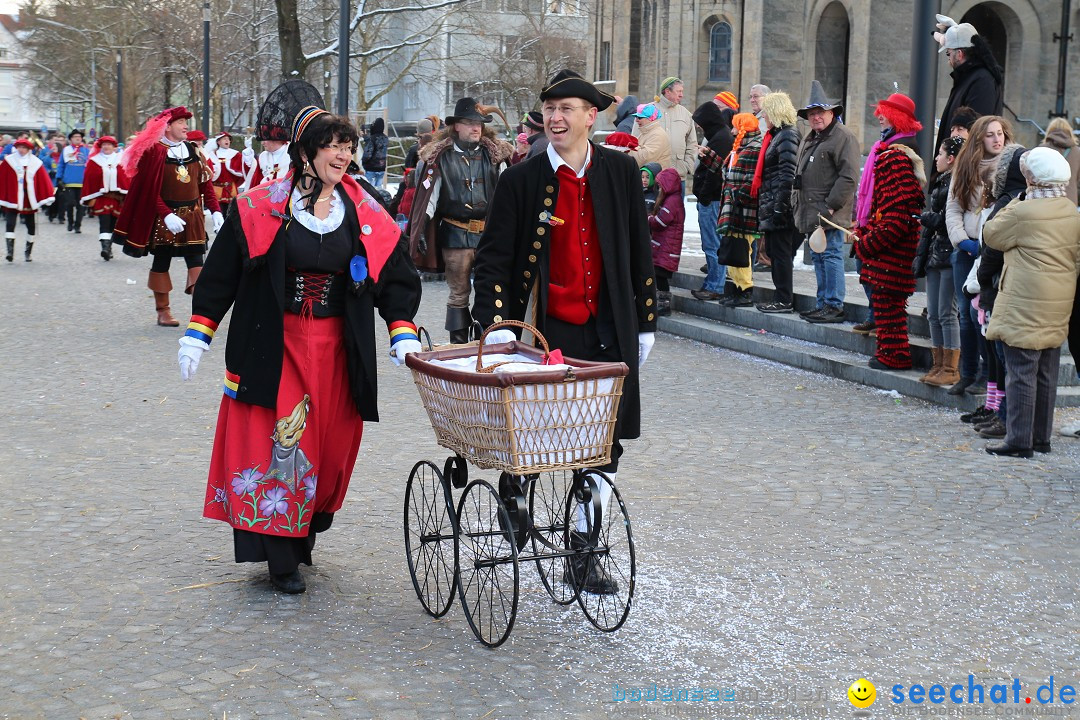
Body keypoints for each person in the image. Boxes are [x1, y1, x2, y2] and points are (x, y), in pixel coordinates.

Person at [181, 86, 423, 594]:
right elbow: (222, 274)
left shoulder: (363, 209)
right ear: (306, 152)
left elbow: (394, 277)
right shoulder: (261, 206)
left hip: (338, 346)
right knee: (281, 441)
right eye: (333, 145)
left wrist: (401, 331)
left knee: (330, 444)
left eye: (348, 146)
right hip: (278, 341)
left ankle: (304, 531)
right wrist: (198, 333)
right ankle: (279, 556)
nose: (344, 155)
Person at [472, 69, 657, 594]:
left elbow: (638, 249)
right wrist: (500, 327)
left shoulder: (621, 171)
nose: (555, 117)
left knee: (602, 448)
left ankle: (583, 548)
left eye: (567, 108)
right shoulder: (521, 180)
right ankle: (516, 488)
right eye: (550, 109)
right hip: (543, 332)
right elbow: (492, 263)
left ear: (590, 116)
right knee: (532, 437)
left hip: (607, 330)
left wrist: (645, 322)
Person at [981, 147, 1080, 458]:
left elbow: (992, 235)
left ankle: (1019, 441)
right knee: (1046, 372)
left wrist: (1015, 203)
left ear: (1033, 179)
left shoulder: (1023, 211)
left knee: (1021, 369)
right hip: (1059, 301)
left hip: (1025, 300)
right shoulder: (1069, 210)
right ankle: (1041, 438)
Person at [407, 97, 513, 342]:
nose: (476, 128)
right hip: (455, 235)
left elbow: (508, 198)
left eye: (479, 123)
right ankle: (458, 345)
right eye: (469, 122)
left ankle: (487, 341)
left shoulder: (495, 155)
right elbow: (429, 198)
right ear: (456, 126)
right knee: (459, 293)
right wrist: (420, 227)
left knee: (491, 290)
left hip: (489, 236)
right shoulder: (439, 158)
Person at [114, 106, 224, 326]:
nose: (186, 127)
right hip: (165, 220)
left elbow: (205, 185)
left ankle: (201, 314)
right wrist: (165, 214)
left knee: (197, 262)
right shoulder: (153, 152)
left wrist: (216, 211)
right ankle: (163, 311)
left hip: (193, 217)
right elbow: (147, 190)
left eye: (186, 122)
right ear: (167, 127)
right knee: (161, 261)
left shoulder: (193, 150)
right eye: (181, 122)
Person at [852, 93, 926, 370]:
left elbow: (898, 215)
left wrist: (868, 242)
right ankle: (890, 353)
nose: (879, 116)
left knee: (888, 303)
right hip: (892, 247)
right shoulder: (893, 154)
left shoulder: (894, 159)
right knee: (885, 304)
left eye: (884, 112)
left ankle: (895, 355)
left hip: (893, 251)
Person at [945, 115, 1012, 394]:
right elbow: (953, 208)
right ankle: (968, 373)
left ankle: (988, 375)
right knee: (964, 314)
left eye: (1000, 134)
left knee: (984, 314)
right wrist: (962, 241)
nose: (997, 139)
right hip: (967, 248)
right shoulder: (965, 166)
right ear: (979, 139)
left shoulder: (1012, 166)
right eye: (990, 135)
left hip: (994, 250)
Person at [970, 142, 1026, 439]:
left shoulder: (1012, 202)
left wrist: (982, 276)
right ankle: (995, 408)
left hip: (999, 286)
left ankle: (1003, 414)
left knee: (1003, 357)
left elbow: (992, 245)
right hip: (996, 285)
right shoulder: (1011, 199)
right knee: (994, 354)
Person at [791, 80, 860, 324]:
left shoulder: (842, 137)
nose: (816, 117)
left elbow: (849, 176)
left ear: (831, 113)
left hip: (829, 212)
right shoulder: (813, 137)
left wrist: (831, 205)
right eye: (812, 113)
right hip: (813, 211)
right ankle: (823, 303)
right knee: (819, 256)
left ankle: (834, 305)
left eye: (820, 112)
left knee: (830, 255)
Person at [913, 136, 964, 386]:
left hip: (949, 252)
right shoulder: (942, 180)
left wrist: (929, 218)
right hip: (936, 251)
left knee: (947, 312)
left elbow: (949, 218)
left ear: (951, 158)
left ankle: (951, 368)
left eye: (940, 154)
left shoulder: (959, 181)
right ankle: (938, 364)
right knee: (933, 312)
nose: (936, 158)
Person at [702, 112, 762, 306]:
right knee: (733, 251)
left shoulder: (753, 148)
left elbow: (752, 180)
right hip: (734, 208)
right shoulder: (740, 148)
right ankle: (737, 288)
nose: (733, 130)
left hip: (743, 209)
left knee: (741, 251)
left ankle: (745, 291)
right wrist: (708, 157)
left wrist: (736, 196)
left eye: (736, 126)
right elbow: (727, 173)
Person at [754, 91, 802, 313]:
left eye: (766, 114)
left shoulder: (787, 135)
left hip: (781, 207)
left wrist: (779, 207)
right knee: (775, 252)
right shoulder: (779, 135)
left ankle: (784, 299)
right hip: (774, 203)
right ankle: (780, 296)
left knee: (781, 254)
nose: (764, 118)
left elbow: (787, 175)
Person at [933, 17, 1005, 156]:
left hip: (963, 167)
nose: (948, 58)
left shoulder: (981, 81)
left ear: (959, 54)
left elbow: (973, 130)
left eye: (949, 53)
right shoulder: (970, 78)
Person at [690, 100, 734, 300]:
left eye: (701, 123)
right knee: (712, 243)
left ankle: (715, 285)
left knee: (712, 244)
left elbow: (714, 172)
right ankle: (713, 282)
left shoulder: (720, 138)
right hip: (712, 198)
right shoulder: (719, 135)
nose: (699, 127)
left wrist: (705, 196)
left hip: (713, 199)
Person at [634, 77, 696, 187]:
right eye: (679, 91)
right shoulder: (648, 111)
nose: (681, 95)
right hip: (652, 177)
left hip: (677, 176)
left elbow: (692, 143)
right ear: (667, 91)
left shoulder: (686, 114)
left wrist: (687, 166)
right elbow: (635, 141)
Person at [0, 138, 55, 262]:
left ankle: (28, 252)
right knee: (10, 223)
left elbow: (43, 180)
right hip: (13, 197)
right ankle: (10, 252)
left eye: (24, 148)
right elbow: (2, 177)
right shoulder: (9, 161)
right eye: (19, 147)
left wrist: (47, 195)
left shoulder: (36, 162)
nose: (21, 150)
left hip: (29, 198)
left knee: (30, 225)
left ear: (29, 149)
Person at [80, 136, 129, 261]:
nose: (106, 147)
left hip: (117, 198)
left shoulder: (121, 160)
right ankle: (105, 248)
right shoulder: (94, 161)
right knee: (104, 222)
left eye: (109, 144)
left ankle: (109, 247)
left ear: (114, 147)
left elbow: (126, 177)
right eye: (104, 145)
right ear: (101, 147)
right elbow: (89, 178)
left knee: (113, 223)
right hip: (102, 198)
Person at [648, 167, 684, 316]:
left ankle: (664, 305)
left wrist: (649, 219)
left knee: (661, 277)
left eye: (661, 185)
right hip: (664, 248)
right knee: (658, 275)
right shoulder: (672, 199)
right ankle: (661, 303)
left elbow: (661, 222)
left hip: (667, 249)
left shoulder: (672, 201)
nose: (659, 188)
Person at [1040, 117, 1080, 206]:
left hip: (1046, 200)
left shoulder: (1041, 150)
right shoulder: (1077, 152)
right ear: (1069, 131)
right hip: (1070, 201)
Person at [56, 129, 89, 233]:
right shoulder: (66, 150)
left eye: (79, 136)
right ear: (71, 139)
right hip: (69, 181)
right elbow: (61, 164)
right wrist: (59, 178)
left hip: (82, 182)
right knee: (70, 203)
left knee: (81, 205)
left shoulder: (86, 151)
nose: (78, 138)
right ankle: (70, 222)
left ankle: (77, 225)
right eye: (75, 137)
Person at [207, 132, 246, 213]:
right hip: (217, 189)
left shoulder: (235, 154)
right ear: (218, 142)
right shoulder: (211, 155)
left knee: (231, 213)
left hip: (230, 189)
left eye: (228, 139)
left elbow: (243, 169)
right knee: (218, 212)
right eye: (224, 139)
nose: (227, 140)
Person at [626, 103, 672, 169]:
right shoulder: (646, 132)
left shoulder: (657, 135)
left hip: (654, 177)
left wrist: (626, 149)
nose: (636, 120)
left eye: (640, 117)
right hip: (648, 176)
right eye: (636, 117)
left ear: (650, 118)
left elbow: (644, 158)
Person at [361, 118, 389, 187]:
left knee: (369, 190)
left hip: (371, 168)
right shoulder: (385, 138)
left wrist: (363, 161)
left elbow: (368, 154)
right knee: (378, 189)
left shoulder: (372, 138)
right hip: (381, 168)